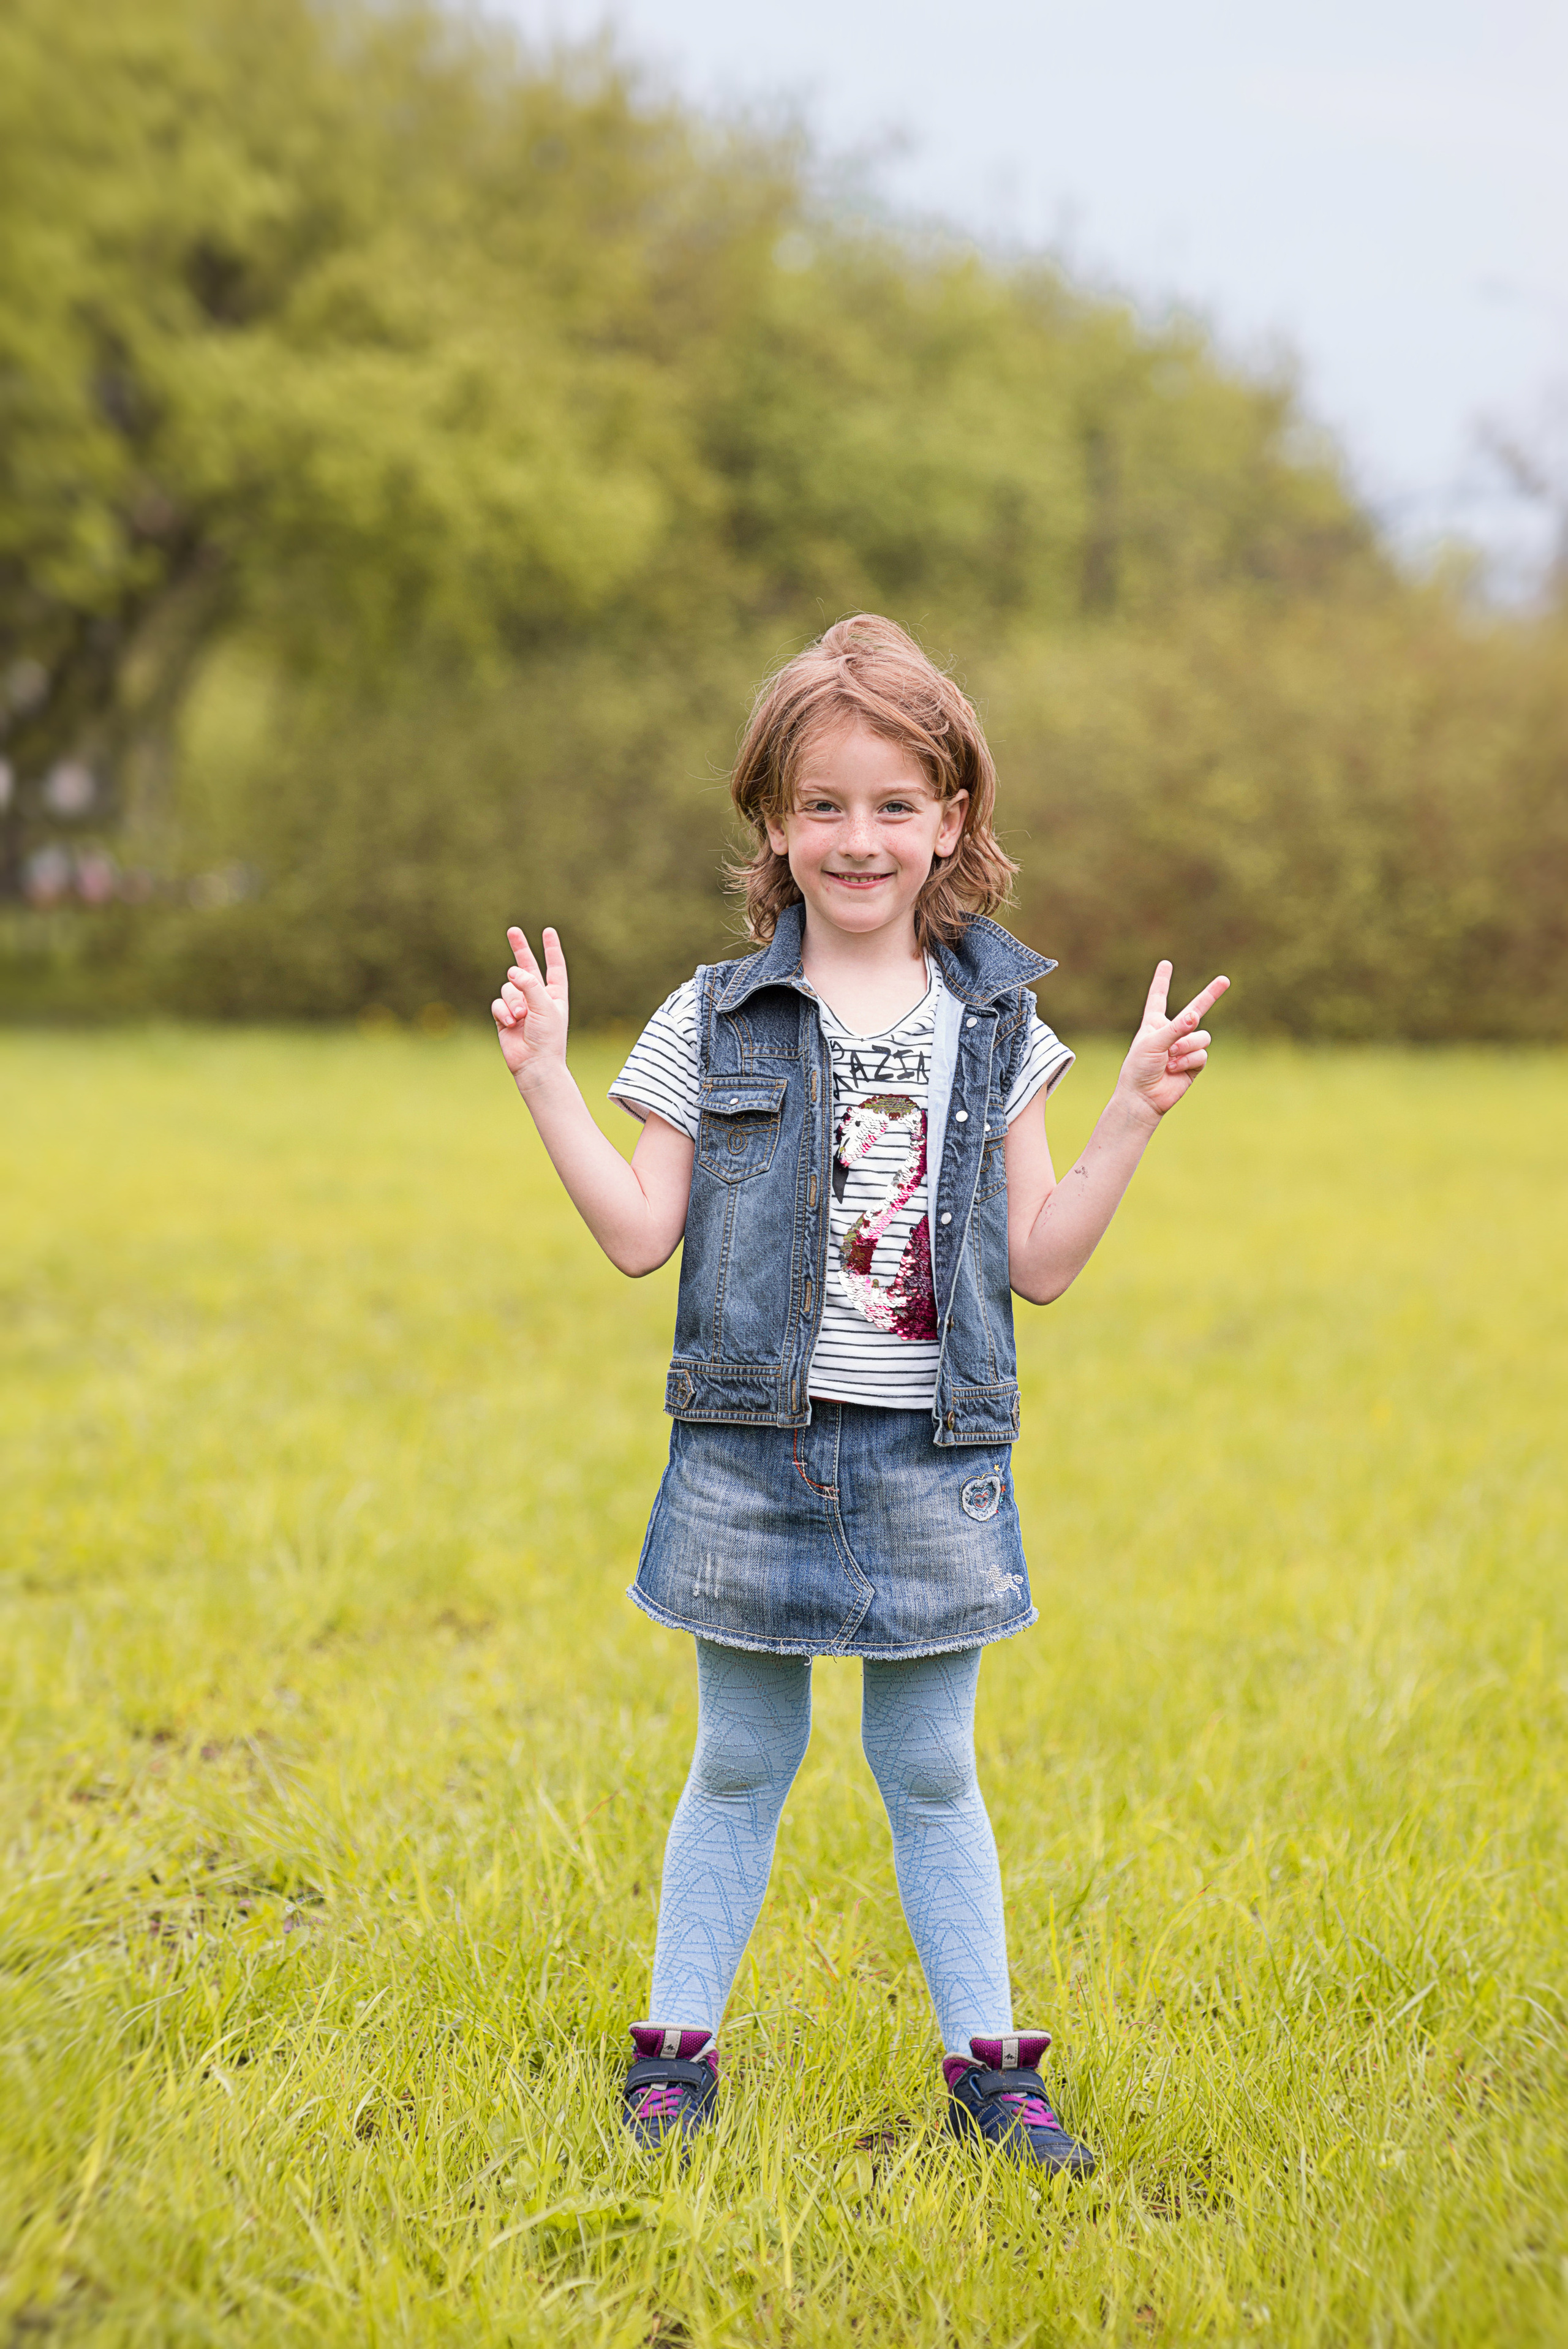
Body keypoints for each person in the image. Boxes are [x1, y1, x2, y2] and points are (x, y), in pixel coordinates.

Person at [491, 615, 1227, 2171]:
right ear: (771, 820)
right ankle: (674, 2055)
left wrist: (1134, 1117)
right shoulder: (715, 1014)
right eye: (823, 804)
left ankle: (988, 2069)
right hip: (747, 1450)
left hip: (925, 1458)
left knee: (931, 1767)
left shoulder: (995, 1024)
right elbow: (638, 1235)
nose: (858, 837)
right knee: (740, 1758)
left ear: (952, 818)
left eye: (895, 804)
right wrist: (548, 1077)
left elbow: (1039, 1262)